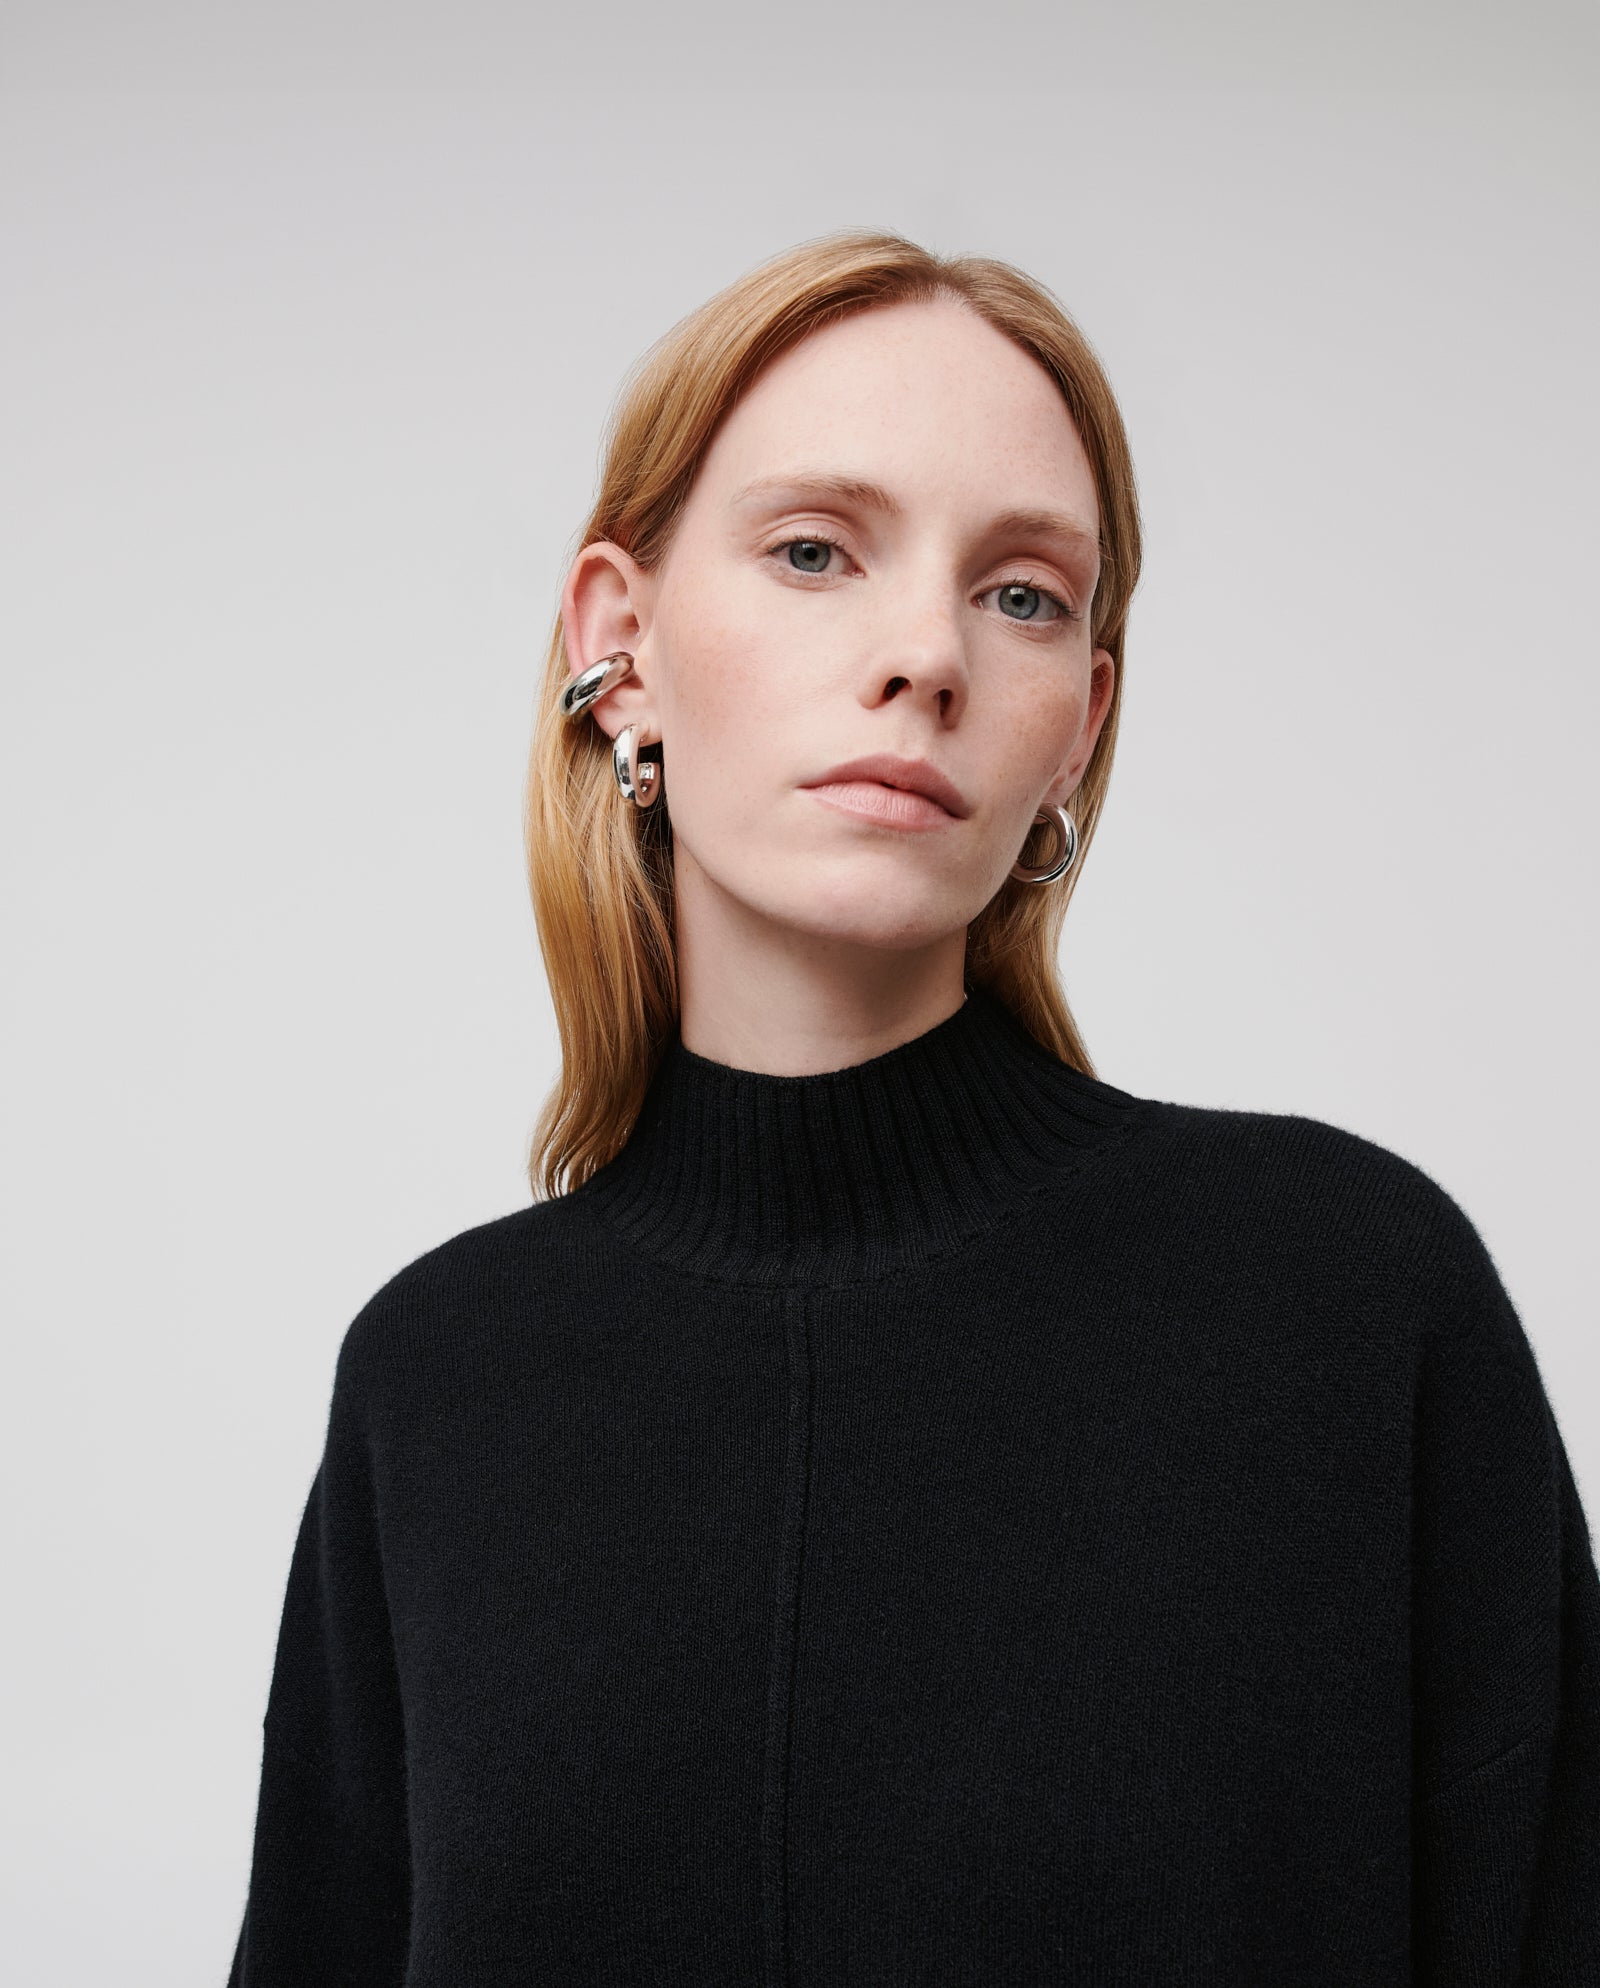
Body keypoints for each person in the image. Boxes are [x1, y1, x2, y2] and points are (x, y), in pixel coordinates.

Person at [226, 230, 1599, 1985]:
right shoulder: (439, 1381)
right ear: (619, 646)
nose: (925, 654)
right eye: (816, 550)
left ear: (1079, 727)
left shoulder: (1345, 1298)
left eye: (1024, 593)